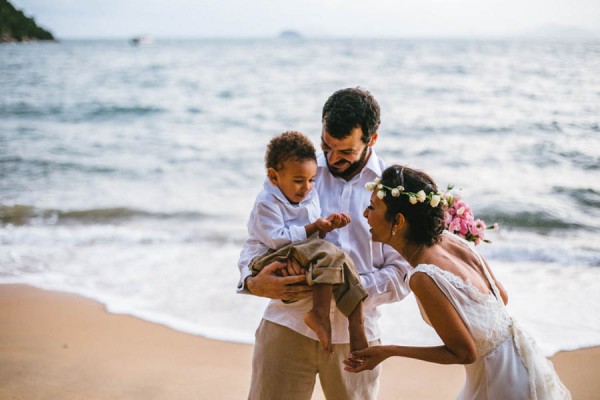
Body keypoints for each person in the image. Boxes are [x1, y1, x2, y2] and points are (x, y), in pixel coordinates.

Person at [237, 87, 411, 400]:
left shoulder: (393, 190)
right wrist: (253, 282)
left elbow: (402, 273)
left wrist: (343, 289)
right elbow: (256, 240)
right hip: (287, 324)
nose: (331, 159)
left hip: (355, 338)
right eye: (326, 146)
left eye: (344, 152)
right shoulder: (296, 171)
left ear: (371, 140)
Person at [345, 165, 572, 400]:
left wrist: (388, 351)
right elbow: (500, 297)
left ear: (399, 221)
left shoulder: (422, 277)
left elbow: (464, 353)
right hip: (521, 361)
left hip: (497, 384)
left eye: (372, 207)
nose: (365, 214)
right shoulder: (452, 240)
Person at [240, 130, 370, 353]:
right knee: (328, 252)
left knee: (341, 259)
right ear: (273, 177)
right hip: (266, 259)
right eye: (299, 181)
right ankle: (319, 314)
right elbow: (277, 239)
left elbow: (311, 237)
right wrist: (314, 227)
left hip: (299, 254)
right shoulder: (266, 202)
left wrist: (327, 225)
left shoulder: (309, 193)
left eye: (311, 180)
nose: (308, 187)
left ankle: (356, 323)